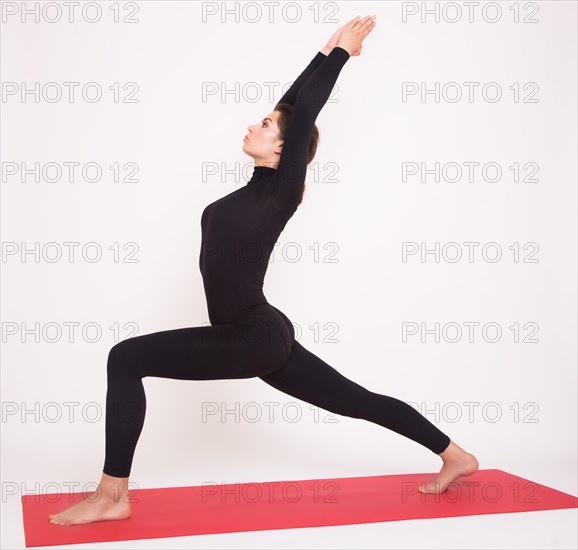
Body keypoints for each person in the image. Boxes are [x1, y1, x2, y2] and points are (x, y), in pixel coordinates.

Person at [49, 15, 478, 526]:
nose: (255, 124)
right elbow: (294, 106)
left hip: (251, 334)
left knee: (125, 358)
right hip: (258, 333)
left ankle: (111, 495)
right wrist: (323, 51)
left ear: (284, 148)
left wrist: (338, 55)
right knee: (355, 400)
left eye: (269, 126)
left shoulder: (281, 191)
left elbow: (304, 110)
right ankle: (455, 455)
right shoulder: (252, 190)